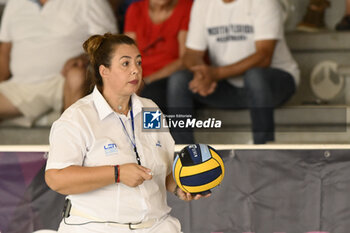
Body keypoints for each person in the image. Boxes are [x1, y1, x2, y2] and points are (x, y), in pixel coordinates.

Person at [45, 33, 208, 233]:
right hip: (95, 227)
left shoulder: (151, 111)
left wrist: (180, 187)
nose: (135, 70)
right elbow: (56, 178)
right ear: (104, 71)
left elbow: (161, 171)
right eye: (125, 64)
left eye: (138, 62)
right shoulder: (77, 117)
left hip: (157, 226)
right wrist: (117, 174)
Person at [168, 0, 300, 144]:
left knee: (255, 76)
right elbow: (192, 53)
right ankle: (184, 154)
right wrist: (202, 74)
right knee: (179, 81)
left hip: (274, 84)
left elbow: (263, 57)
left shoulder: (264, 2)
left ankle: (263, 150)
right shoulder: (203, 3)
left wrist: (215, 74)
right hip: (229, 86)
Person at [0, 0, 117, 126]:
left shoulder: (89, 2)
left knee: (76, 76)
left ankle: (70, 139)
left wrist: (84, 57)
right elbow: (4, 52)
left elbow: (111, 45)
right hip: (21, 87)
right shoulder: (15, 3)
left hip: (64, 82)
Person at [124, 0, 193, 112]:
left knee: (150, 96)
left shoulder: (186, 7)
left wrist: (146, 81)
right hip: (139, 76)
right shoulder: (135, 9)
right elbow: (127, 55)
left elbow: (185, 59)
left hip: (168, 77)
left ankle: (153, 129)